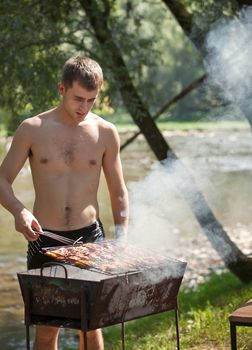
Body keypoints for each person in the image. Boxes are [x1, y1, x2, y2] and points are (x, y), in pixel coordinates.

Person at [0, 56, 129, 350]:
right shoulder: (32, 129)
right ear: (61, 88)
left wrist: (122, 237)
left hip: (91, 241)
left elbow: (118, 191)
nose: (84, 108)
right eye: (78, 99)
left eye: (91, 100)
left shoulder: (106, 132)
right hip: (44, 239)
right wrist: (19, 211)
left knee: (91, 327)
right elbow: (2, 179)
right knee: (47, 330)